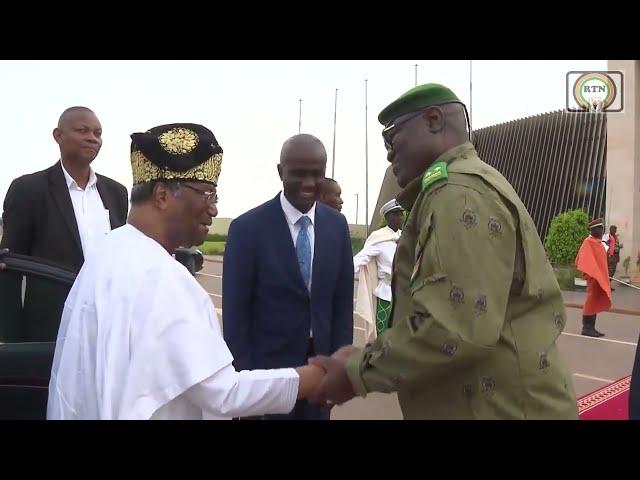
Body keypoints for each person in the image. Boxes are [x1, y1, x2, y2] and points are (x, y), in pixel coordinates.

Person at [307, 83, 579, 419]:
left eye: (391, 138)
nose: (389, 153)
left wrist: (355, 372)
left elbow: (454, 329)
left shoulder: (457, 193)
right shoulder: (456, 187)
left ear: (434, 120)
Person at [47, 124, 325, 420]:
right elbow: (224, 393)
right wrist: (313, 377)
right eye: (207, 194)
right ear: (163, 195)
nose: (214, 209)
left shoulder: (108, 251)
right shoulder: (164, 279)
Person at [223, 134, 353, 420]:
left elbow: (341, 306)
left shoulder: (337, 226)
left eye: (317, 174)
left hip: (320, 370)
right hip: (267, 375)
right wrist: (243, 386)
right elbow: (236, 316)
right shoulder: (247, 229)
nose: (308, 183)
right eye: (298, 174)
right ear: (281, 172)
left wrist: (340, 369)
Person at [0, 107, 128, 342]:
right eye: (82, 130)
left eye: (98, 133)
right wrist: (13, 339)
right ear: (58, 135)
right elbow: (9, 268)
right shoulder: (29, 189)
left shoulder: (116, 193)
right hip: (51, 328)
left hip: (107, 327)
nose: (93, 138)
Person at [353, 199, 403, 340]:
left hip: (403, 291)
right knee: (382, 331)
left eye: (401, 214)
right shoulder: (379, 239)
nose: (400, 217)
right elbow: (361, 258)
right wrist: (342, 273)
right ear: (387, 217)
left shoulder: (404, 236)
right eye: (396, 214)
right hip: (386, 292)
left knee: (400, 333)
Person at [575, 218, 611, 337]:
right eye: (599, 229)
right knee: (591, 301)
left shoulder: (598, 243)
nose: (601, 231)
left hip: (599, 277)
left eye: (602, 229)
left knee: (595, 301)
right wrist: (593, 273)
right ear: (593, 230)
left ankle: (592, 327)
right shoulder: (588, 242)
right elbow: (583, 260)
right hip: (593, 278)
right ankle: (587, 327)